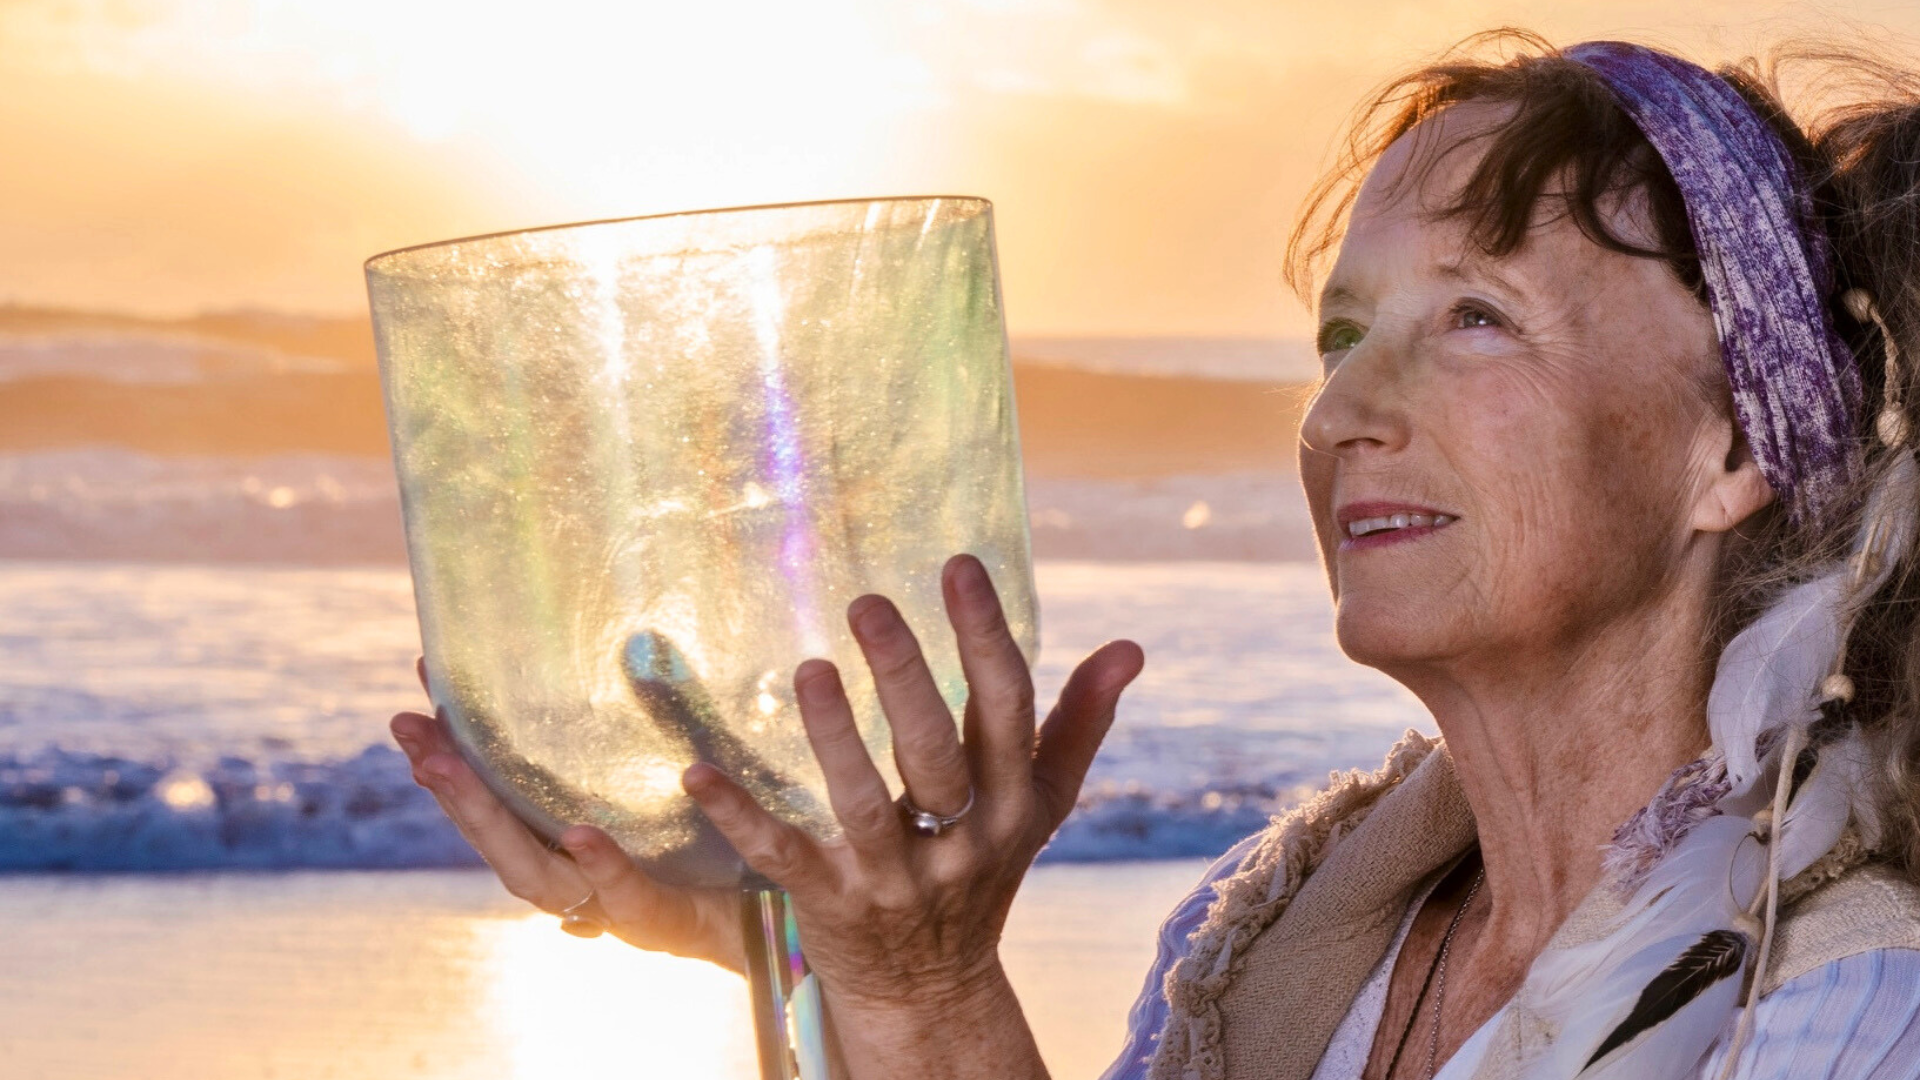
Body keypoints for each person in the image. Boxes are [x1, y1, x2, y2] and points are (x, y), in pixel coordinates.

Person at [390, 30, 1920, 1080]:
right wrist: (808, 938)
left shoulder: (1853, 1005)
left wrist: (926, 994)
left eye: (1474, 318)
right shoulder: (1273, 943)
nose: (1341, 411)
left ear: (1735, 450)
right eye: (1340, 336)